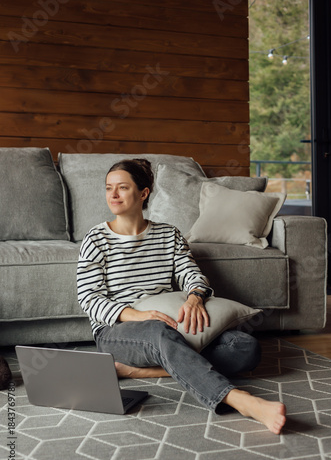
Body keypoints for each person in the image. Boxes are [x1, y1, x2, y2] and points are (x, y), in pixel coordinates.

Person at [77, 158, 286, 435]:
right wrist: (137, 316)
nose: (113, 195)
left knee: (244, 347)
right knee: (157, 332)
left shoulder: (168, 235)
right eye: (108, 188)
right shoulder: (96, 239)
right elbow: (89, 297)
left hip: (169, 323)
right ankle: (241, 400)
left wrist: (194, 298)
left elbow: (192, 275)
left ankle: (138, 371)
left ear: (143, 193)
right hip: (118, 331)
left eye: (122, 188)